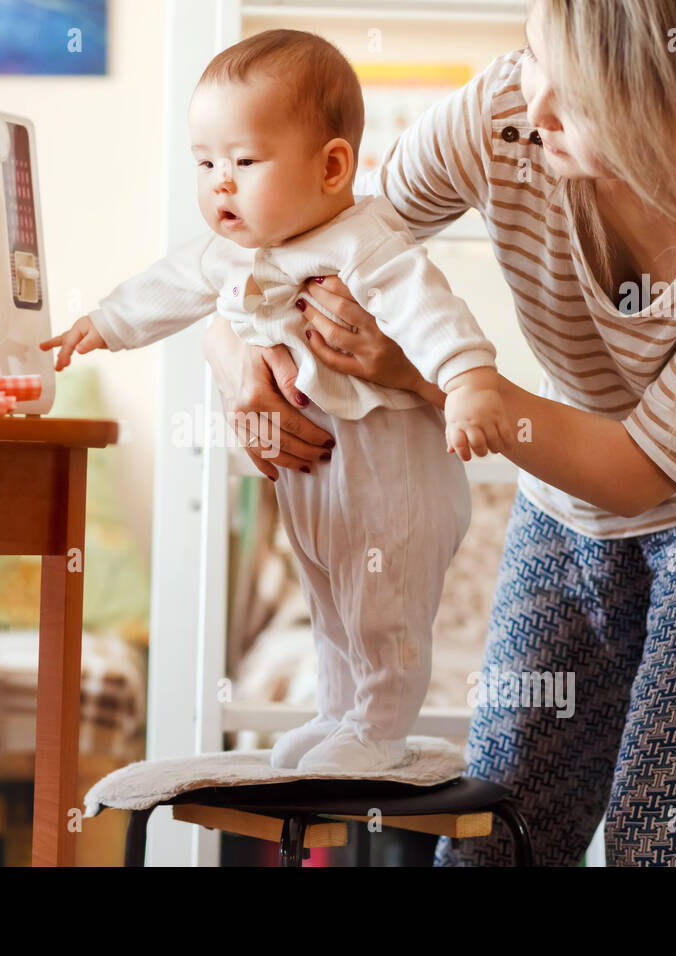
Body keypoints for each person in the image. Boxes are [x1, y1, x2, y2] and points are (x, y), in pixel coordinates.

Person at [203, 0, 676, 864]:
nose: (535, 101)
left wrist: (422, 377)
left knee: (674, 838)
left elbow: (642, 472)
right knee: (501, 824)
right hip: (568, 462)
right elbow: (302, 241)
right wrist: (239, 364)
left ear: (668, 96)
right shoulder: (504, 113)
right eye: (531, 55)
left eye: (576, 89)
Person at [41, 29, 514, 773]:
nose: (219, 183)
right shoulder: (234, 252)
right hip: (318, 478)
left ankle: (382, 729)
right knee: (327, 601)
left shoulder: (366, 243)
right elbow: (166, 287)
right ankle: (337, 716)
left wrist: (468, 382)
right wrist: (101, 324)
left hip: (394, 479)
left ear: (331, 167)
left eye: (244, 161)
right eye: (204, 163)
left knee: (381, 606)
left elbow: (434, 315)